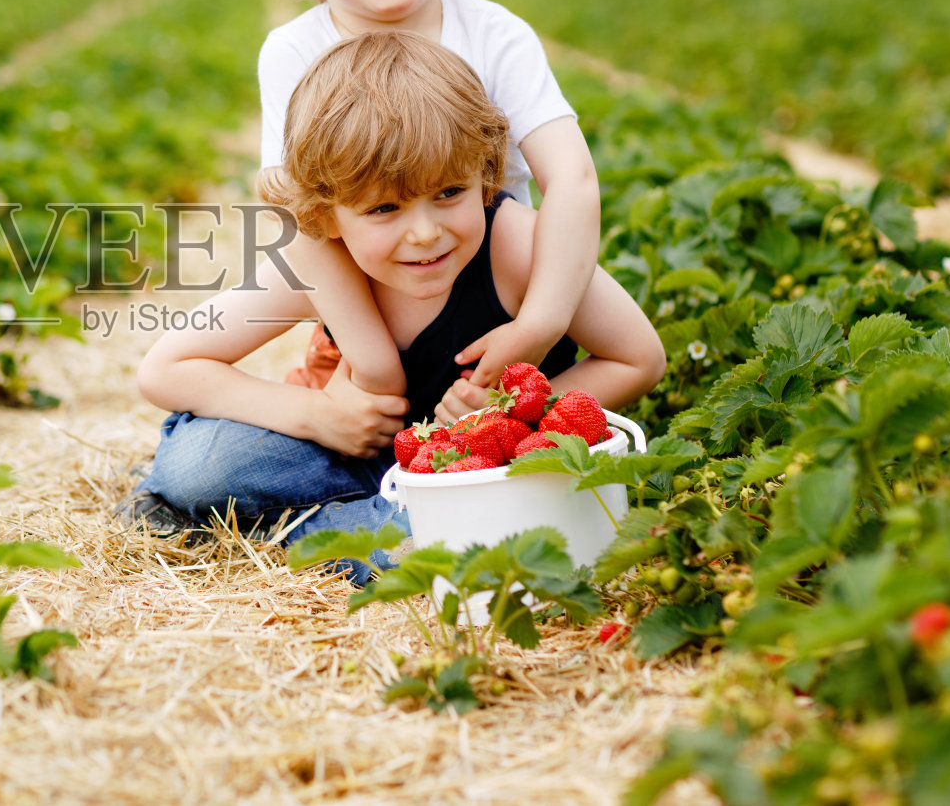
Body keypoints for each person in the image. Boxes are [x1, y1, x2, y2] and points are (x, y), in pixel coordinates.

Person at [125, 31, 665, 583]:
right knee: (195, 465)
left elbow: (638, 359)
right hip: (358, 453)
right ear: (328, 216)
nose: (425, 233)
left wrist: (510, 418)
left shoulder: (518, 246)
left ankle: (295, 532)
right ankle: (353, 523)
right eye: (384, 208)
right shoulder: (320, 263)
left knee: (466, 538)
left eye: (449, 193)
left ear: (484, 174)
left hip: (482, 469)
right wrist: (320, 416)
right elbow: (166, 367)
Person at [240, 0, 602, 441]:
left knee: (496, 445)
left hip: (494, 313)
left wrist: (538, 326)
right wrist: (374, 366)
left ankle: (438, 467)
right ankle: (377, 464)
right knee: (217, 467)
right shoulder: (294, 51)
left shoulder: (495, 36)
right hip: (365, 324)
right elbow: (303, 219)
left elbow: (571, 180)